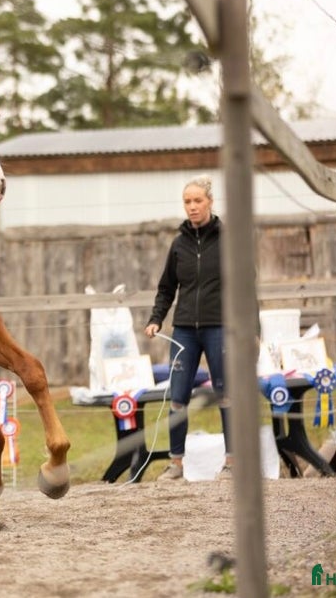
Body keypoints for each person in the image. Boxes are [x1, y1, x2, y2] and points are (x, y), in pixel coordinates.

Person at [143, 174, 230, 481]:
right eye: (187, 202)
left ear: (210, 202)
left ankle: (231, 461)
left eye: (198, 201)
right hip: (184, 332)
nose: (192, 207)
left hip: (220, 327)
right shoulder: (178, 244)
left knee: (225, 393)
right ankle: (176, 463)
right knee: (178, 395)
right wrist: (156, 318)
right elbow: (166, 287)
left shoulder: (228, 239)